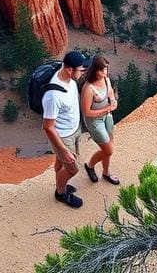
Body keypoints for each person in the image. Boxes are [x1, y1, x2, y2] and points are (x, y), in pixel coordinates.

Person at [42, 50, 89, 208]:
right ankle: (60, 193)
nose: (83, 72)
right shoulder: (54, 95)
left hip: (73, 130)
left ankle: (59, 182)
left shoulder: (69, 78)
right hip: (63, 136)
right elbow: (48, 127)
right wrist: (63, 150)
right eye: (81, 69)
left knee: (62, 164)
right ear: (70, 69)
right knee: (72, 169)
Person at [81, 54, 120, 185]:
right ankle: (90, 165)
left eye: (106, 69)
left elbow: (110, 94)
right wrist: (108, 109)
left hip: (106, 116)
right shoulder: (88, 88)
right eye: (102, 70)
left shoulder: (106, 80)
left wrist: (113, 102)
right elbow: (86, 112)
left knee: (109, 146)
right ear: (95, 70)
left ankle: (106, 172)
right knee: (108, 150)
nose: (105, 72)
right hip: (94, 121)